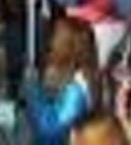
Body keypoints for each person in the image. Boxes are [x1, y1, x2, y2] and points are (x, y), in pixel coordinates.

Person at [26, 17, 98, 145]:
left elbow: (50, 130)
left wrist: (33, 91)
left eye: (54, 37)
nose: (50, 42)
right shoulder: (81, 77)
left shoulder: (77, 88)